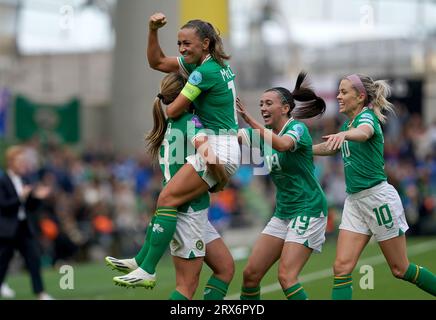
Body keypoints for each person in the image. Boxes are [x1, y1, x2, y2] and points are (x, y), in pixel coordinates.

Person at [110, 12, 240, 288]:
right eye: (179, 43)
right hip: (223, 148)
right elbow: (156, 61)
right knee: (224, 270)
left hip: (219, 148)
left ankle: (147, 267)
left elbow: (174, 109)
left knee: (167, 199)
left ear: (205, 44)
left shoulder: (203, 74)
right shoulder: (209, 66)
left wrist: (186, 90)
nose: (181, 50)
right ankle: (143, 261)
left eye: (186, 44)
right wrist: (152, 30)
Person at [106, 73, 234, 300]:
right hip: (189, 212)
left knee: (225, 269)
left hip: (186, 210)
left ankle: (142, 261)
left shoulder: (170, 124)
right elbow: (206, 153)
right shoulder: (190, 122)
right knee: (186, 286)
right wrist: (222, 178)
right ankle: (146, 268)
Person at [313, 73, 436, 299]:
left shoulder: (366, 118)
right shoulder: (349, 123)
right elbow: (332, 147)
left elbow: (364, 133)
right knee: (341, 268)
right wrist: (302, 150)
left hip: (377, 200)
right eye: (339, 92)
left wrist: (344, 134)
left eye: (343, 92)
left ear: (360, 97)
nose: (338, 96)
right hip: (355, 201)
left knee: (400, 269)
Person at [236, 72, 327, 300]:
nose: (263, 108)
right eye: (260, 104)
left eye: (268, 103)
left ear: (285, 108)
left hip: (308, 208)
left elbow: (284, 145)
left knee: (286, 277)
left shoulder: (296, 129)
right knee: (250, 275)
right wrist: (197, 126)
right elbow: (228, 135)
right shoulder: (263, 135)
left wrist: (250, 121)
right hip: (283, 212)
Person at [0, 145, 54, 300]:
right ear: (11, 162)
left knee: (33, 258)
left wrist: (37, 197)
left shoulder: (25, 180)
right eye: (20, 161)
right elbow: (4, 205)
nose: (24, 164)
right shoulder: (3, 181)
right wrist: (21, 197)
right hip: (7, 229)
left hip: (24, 227)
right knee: (3, 261)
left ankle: (40, 292)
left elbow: (29, 207)